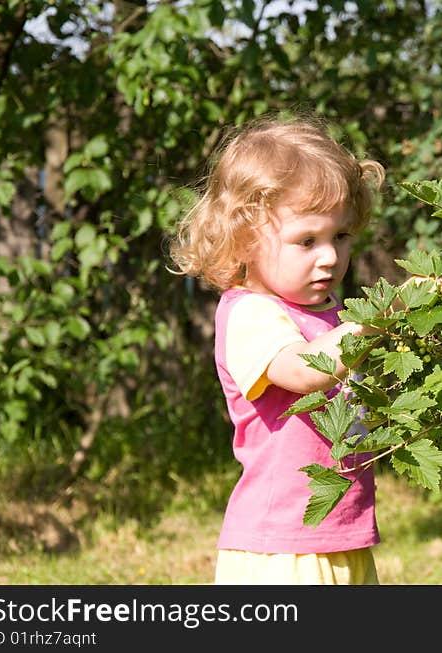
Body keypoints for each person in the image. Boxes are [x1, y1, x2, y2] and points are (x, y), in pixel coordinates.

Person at [167, 115, 390, 585]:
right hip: (282, 552)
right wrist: (375, 322)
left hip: (343, 534)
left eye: (341, 236)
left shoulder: (330, 314)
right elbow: (305, 370)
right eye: (307, 240)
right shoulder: (252, 315)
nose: (329, 255)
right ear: (245, 240)